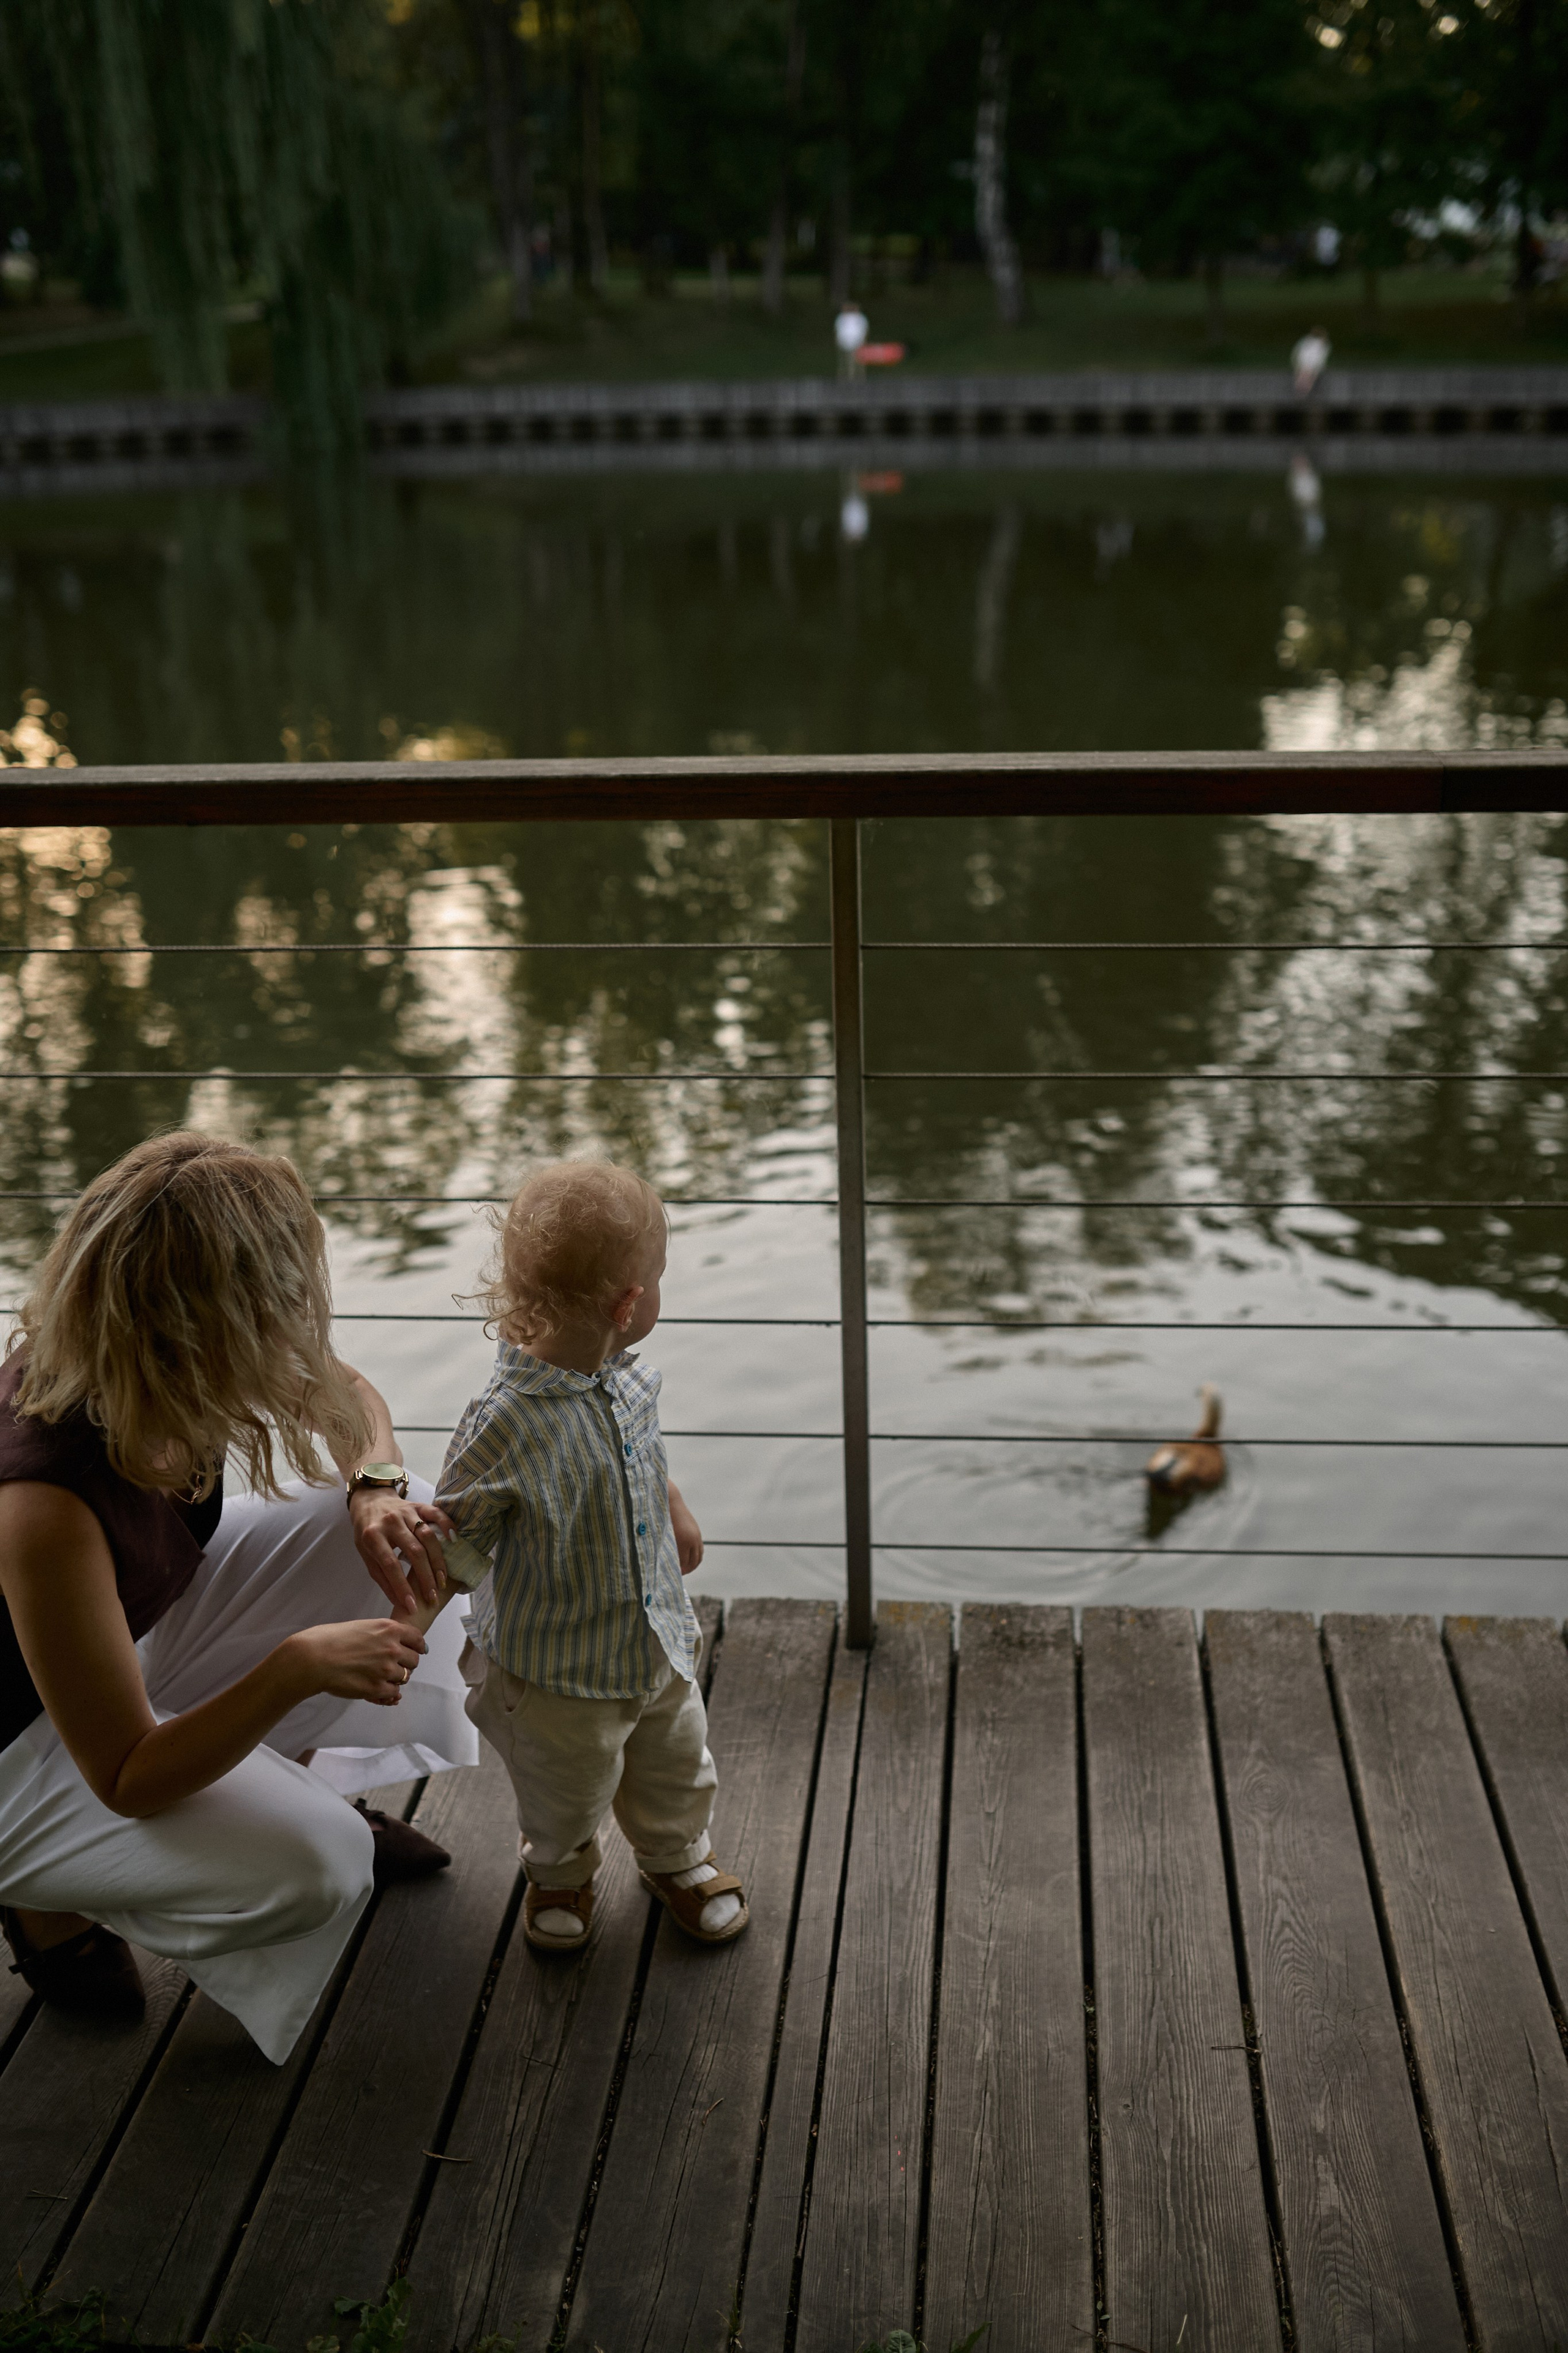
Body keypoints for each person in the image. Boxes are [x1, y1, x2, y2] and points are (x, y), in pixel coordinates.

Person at [0, 1133, 477, 2062]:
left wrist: (374, 1485)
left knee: (408, 1520)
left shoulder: (161, 1361)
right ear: (207, 1317)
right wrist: (289, 1669)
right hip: (19, 1747)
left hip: (112, 1653)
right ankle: (43, 1895)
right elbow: (126, 1776)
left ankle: (285, 1784)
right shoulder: (41, 1503)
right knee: (321, 1862)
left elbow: (344, 1392)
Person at [436, 1160, 748, 1954]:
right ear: (629, 1303)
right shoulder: (505, 1420)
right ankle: (560, 1871)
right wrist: (406, 1630)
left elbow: (632, 1449)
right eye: (659, 1277)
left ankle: (676, 1857)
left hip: (652, 1643)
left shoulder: (623, 1379)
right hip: (556, 1672)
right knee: (563, 1788)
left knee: (676, 1764)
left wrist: (672, 1502)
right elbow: (458, 1539)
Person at [1292, 326, 1331, 397]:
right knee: (1304, 376)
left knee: (1309, 377)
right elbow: (1302, 352)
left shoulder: (1323, 345)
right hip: (1307, 363)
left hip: (1311, 364)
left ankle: (1303, 393)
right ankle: (1300, 393)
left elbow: (1322, 356)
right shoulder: (1308, 341)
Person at [834, 299, 869, 379]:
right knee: (844, 360)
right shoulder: (841, 318)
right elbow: (838, 330)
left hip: (857, 341)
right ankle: (844, 377)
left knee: (858, 360)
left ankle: (858, 377)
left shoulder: (860, 318)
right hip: (844, 341)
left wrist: (862, 340)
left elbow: (864, 329)